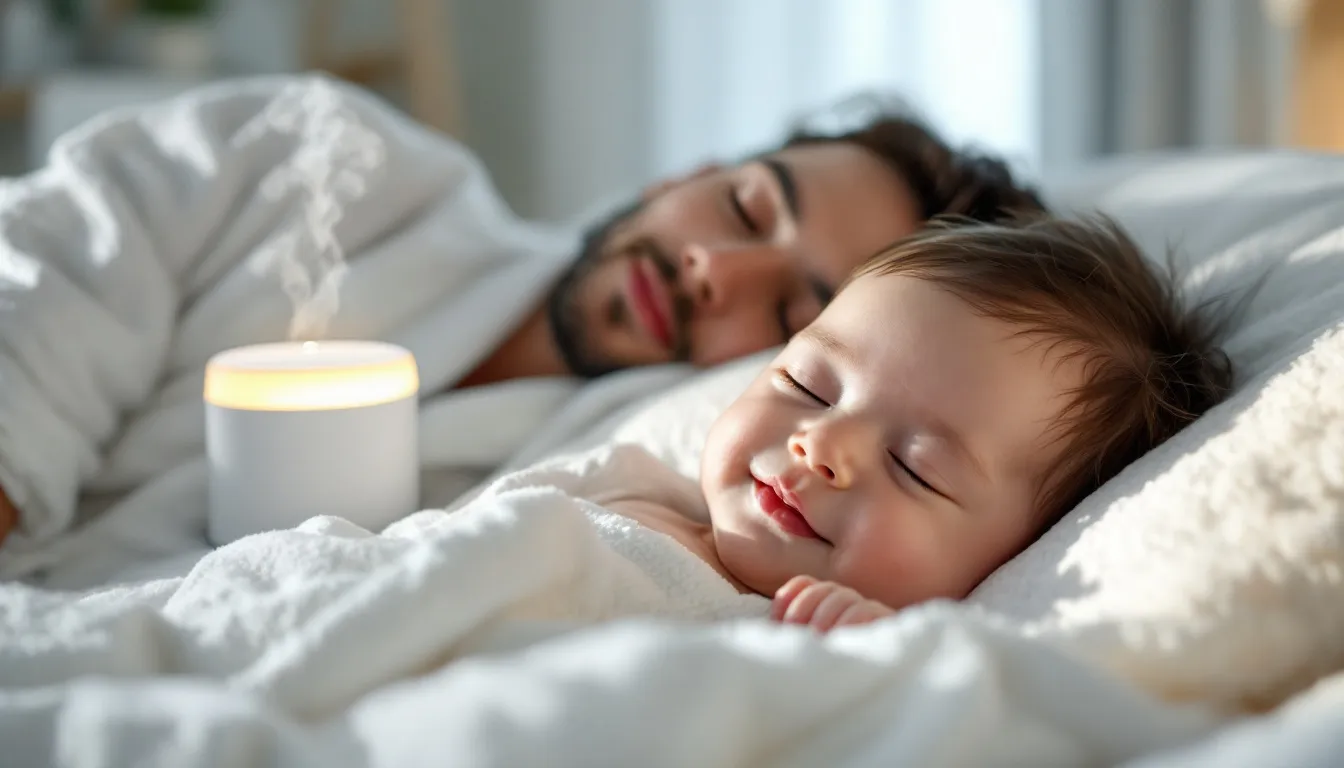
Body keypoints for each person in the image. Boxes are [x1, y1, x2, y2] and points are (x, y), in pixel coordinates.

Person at [0, 76, 1042, 577]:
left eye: (792, 307)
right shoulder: (318, 158)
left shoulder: (615, 498)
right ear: (682, 175)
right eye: (741, 209)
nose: (714, 272)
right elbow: (46, 271)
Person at [588, 215, 1232, 629]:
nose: (821, 445)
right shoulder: (620, 481)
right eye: (806, 385)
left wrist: (867, 663)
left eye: (913, 468)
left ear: (1017, 557)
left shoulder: (875, 655)